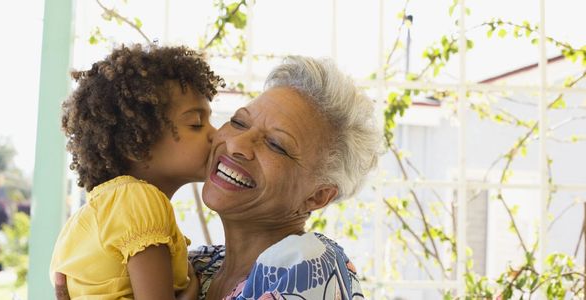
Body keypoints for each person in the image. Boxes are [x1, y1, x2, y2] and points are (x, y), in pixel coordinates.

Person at [56, 55, 381, 299]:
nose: (236, 143)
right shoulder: (196, 264)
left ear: (317, 196)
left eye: (276, 144)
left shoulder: (307, 266)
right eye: (239, 122)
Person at [49, 44, 224, 299]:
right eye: (196, 124)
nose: (216, 134)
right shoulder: (140, 201)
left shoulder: (97, 212)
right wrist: (192, 292)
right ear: (136, 142)